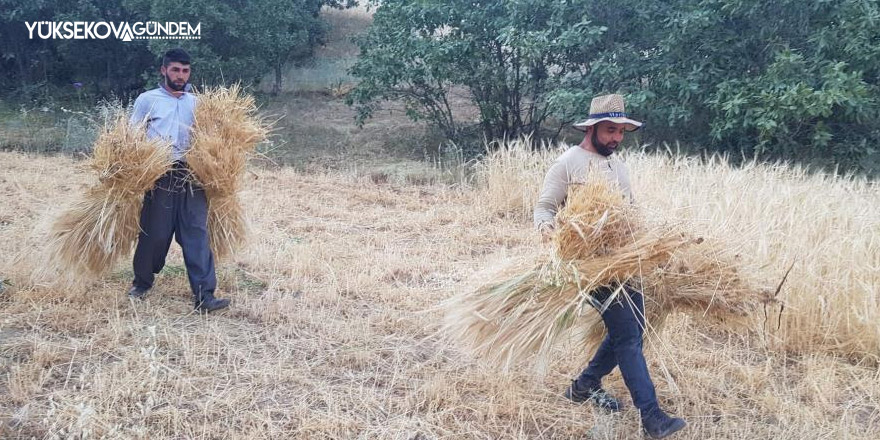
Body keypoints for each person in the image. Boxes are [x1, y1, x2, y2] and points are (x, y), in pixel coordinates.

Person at [534, 94, 686, 438]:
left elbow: (628, 212)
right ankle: (652, 417)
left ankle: (584, 386)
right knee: (628, 337)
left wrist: (645, 246)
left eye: (621, 132)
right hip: (589, 267)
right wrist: (551, 233)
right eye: (610, 131)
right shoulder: (567, 163)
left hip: (623, 261)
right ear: (593, 129)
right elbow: (544, 207)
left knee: (636, 327)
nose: (616, 138)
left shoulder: (619, 167)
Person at [126, 48, 229, 313]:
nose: (180, 75)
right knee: (155, 234)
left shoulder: (197, 103)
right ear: (164, 70)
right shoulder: (147, 100)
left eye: (185, 71)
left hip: (192, 174)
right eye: (175, 70)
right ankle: (142, 282)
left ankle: (204, 295)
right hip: (159, 172)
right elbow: (131, 136)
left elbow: (211, 137)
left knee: (197, 233)